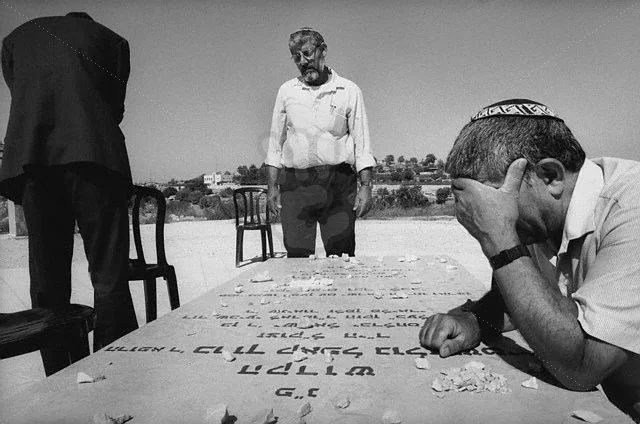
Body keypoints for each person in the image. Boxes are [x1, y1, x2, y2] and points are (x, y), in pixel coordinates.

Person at [419, 99, 640, 421]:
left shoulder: (630, 208)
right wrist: (476, 320)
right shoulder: (543, 215)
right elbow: (515, 301)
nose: (491, 217)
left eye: (495, 203)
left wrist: (499, 237)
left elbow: (581, 367)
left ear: (550, 176)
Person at [1, 12, 138, 374]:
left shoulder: (16, 38)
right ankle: (115, 371)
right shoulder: (108, 38)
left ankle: (60, 375)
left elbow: (21, 91)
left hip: (34, 155)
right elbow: (114, 104)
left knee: (47, 279)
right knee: (108, 273)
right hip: (93, 154)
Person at [264, 27, 376, 258]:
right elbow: (275, 144)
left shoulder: (348, 90)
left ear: (323, 51)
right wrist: (272, 187)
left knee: (341, 257)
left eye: (307, 53)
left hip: (338, 184)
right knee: (297, 258)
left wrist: (365, 186)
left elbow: (362, 143)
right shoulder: (286, 91)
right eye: (296, 57)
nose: (303, 62)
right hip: (295, 185)